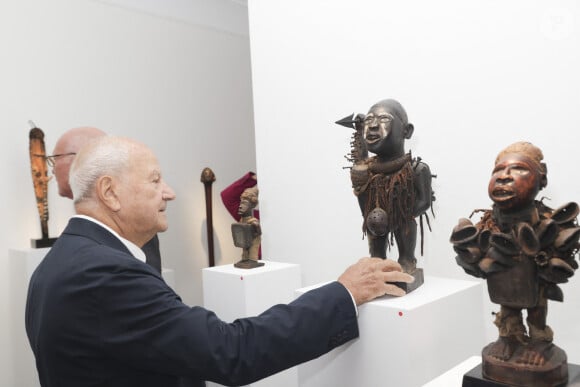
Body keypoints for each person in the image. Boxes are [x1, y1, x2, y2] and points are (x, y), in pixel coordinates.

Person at [25, 136, 414, 387]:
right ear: (110, 192)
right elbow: (232, 351)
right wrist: (344, 293)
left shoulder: (61, 262)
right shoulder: (103, 274)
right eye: (155, 180)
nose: (170, 193)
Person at [451, 141, 579, 386]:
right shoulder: (489, 223)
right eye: (497, 171)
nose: (504, 177)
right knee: (506, 303)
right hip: (503, 282)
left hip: (535, 280)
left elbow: (562, 258)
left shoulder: (548, 222)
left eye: (520, 169)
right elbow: (473, 253)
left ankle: (539, 342)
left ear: (541, 181)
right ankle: (509, 337)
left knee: (537, 302)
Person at [347, 99, 434, 290]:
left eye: (384, 119)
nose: (373, 126)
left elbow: (424, 202)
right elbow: (364, 206)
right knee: (376, 243)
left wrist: (398, 213)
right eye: (369, 120)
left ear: (406, 131)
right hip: (376, 222)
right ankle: (377, 260)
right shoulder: (367, 171)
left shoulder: (417, 169)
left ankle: (406, 260)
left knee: (405, 228)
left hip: (403, 219)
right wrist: (360, 178)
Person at [50, 127, 162, 273]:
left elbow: (143, 287)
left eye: (55, 159)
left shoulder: (132, 225)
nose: (52, 169)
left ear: (82, 159)